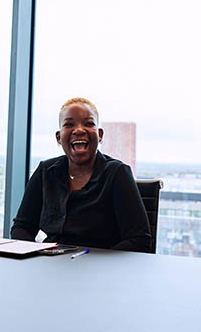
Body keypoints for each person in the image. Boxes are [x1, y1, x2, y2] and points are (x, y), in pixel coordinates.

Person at [11, 97, 151, 252]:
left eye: (88, 123)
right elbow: (22, 227)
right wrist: (34, 256)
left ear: (100, 135)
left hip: (100, 269)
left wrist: (97, 263)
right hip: (51, 266)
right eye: (69, 124)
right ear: (58, 137)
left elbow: (139, 240)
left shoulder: (117, 173)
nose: (78, 130)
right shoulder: (46, 171)